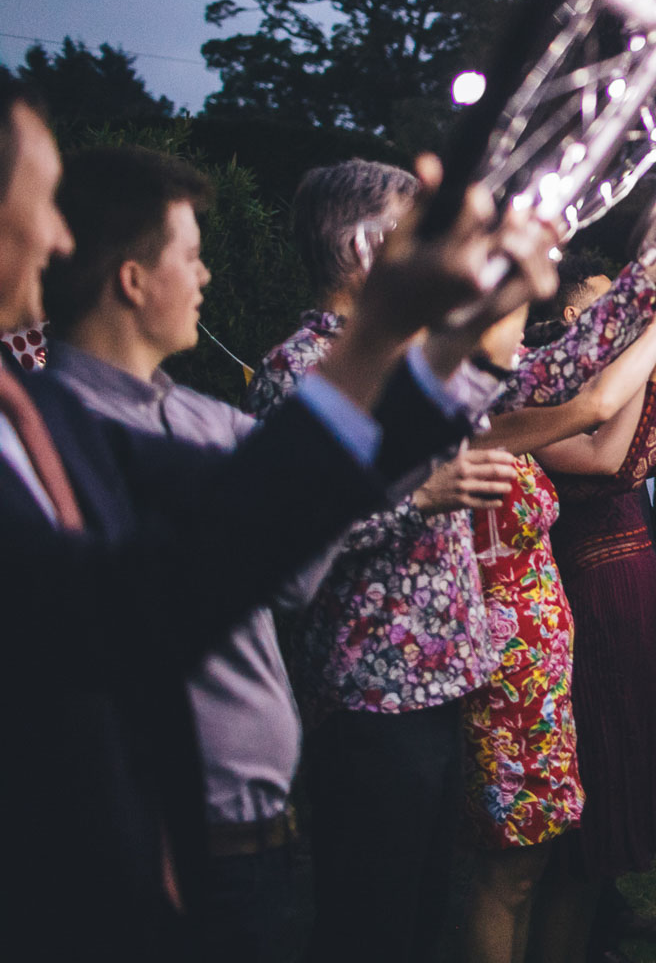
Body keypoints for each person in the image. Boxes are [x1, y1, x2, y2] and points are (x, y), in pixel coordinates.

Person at [0, 74, 559, 960]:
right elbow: (182, 575)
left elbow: (273, 508)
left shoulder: (129, 417)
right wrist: (386, 333)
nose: (59, 237)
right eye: (36, 204)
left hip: (242, 816)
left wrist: (457, 344)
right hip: (125, 854)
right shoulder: (50, 419)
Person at [250, 160, 656, 963]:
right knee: (370, 925)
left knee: (425, 915)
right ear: (367, 247)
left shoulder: (420, 363)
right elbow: (283, 532)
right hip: (370, 704)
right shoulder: (303, 371)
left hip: (451, 689)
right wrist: (418, 499)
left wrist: (649, 276)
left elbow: (544, 376)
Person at [39, 144, 332, 961]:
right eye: (193, 256)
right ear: (133, 281)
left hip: (265, 826)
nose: (205, 278)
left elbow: (300, 565)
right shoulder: (61, 433)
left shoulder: (205, 417)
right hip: (169, 838)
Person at [459, 298, 656, 963]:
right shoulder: (468, 418)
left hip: (544, 675)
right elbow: (593, 416)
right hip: (502, 673)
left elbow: (605, 427)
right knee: (511, 870)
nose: (527, 337)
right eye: (512, 318)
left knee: (542, 862)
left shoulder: (501, 412)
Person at [534, 268, 656, 963]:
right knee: (599, 748)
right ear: (568, 314)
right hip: (588, 590)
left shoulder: (617, 391)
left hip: (636, 579)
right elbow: (616, 465)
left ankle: (602, 911)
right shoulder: (553, 397)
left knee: (629, 743)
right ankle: (583, 918)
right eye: (601, 301)